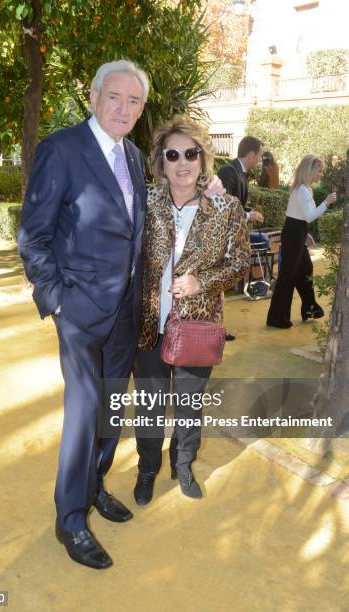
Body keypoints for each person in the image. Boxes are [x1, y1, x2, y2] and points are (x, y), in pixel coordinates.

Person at [18, 60, 149, 570]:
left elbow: (133, 228)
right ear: (93, 96)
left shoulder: (134, 156)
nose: (124, 108)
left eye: (133, 101)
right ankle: (69, 519)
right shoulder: (61, 149)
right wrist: (56, 301)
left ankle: (95, 487)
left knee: (112, 407)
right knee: (84, 410)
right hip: (78, 310)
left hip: (125, 309)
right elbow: (33, 236)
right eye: (115, 97)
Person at [132, 115, 250, 506]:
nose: (182, 162)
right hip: (149, 325)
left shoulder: (225, 206)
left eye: (190, 153)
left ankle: (183, 466)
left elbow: (239, 263)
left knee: (188, 407)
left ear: (202, 159)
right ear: (160, 161)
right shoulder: (145, 201)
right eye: (173, 154)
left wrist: (204, 282)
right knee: (149, 406)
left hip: (197, 326)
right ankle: (147, 469)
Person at [266, 154, 337, 329]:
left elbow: (298, 215)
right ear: (310, 171)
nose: (321, 174)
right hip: (293, 233)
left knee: (305, 269)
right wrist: (326, 203)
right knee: (287, 277)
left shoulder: (304, 188)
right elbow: (308, 216)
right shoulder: (303, 190)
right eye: (319, 171)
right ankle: (277, 318)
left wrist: (305, 234)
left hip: (296, 232)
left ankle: (310, 309)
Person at [217, 135, 265, 340]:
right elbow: (223, 205)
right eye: (260, 155)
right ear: (252, 154)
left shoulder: (241, 173)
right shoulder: (229, 170)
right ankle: (216, 330)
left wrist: (247, 212)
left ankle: (218, 328)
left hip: (231, 238)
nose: (261, 159)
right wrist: (247, 215)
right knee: (216, 287)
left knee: (218, 288)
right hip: (220, 239)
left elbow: (236, 204)